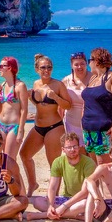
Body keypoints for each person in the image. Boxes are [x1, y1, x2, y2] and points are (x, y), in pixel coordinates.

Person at [20, 54, 71, 196]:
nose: (46, 70)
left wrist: (55, 97)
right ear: (37, 69)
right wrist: (30, 97)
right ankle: (33, 184)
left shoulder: (58, 85)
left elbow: (68, 105)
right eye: (43, 67)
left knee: (53, 163)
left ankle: (54, 195)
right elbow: (40, 105)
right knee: (24, 154)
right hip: (38, 127)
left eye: (49, 67)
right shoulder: (36, 84)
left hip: (54, 127)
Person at [81, 47, 112, 164]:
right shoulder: (93, 78)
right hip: (89, 131)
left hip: (105, 130)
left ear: (96, 61)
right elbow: (86, 102)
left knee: (105, 166)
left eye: (89, 60)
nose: (88, 64)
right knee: (94, 166)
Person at [34, 132, 96, 221]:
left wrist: (63, 207)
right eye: (69, 147)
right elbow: (52, 187)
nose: (72, 150)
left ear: (79, 147)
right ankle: (73, 215)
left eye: (75, 146)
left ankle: (44, 215)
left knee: (85, 203)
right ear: (63, 149)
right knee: (37, 201)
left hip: (83, 199)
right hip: (66, 198)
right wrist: (50, 206)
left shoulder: (89, 163)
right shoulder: (58, 161)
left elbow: (85, 192)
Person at [0, 56, 28, 160]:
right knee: (1, 158)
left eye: (1, 66)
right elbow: (1, 106)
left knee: (9, 159)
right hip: (1, 126)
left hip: (14, 127)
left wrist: (21, 131)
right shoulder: (3, 85)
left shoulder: (20, 86)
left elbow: (24, 110)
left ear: (9, 68)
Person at [61, 52, 90, 138]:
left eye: (82, 64)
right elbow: (61, 106)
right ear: (72, 66)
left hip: (91, 126)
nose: (79, 67)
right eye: (76, 64)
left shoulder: (95, 78)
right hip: (70, 124)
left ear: (86, 64)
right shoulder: (66, 81)